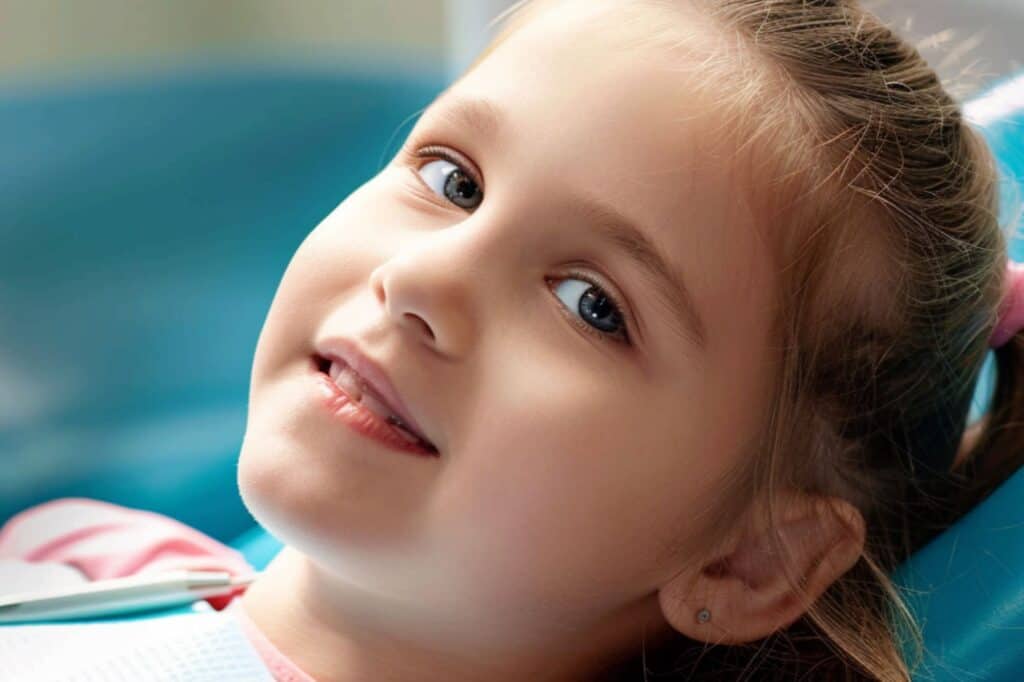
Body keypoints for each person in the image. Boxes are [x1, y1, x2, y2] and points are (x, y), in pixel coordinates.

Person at [3, 0, 1022, 679]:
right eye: (453, 180)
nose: (420, 281)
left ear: (750, 559)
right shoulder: (87, 559)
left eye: (590, 303)